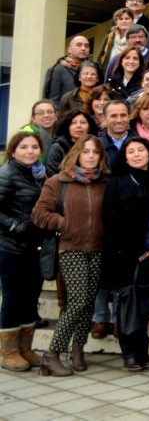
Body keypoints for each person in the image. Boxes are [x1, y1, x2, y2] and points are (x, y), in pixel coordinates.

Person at [31, 135, 109, 376]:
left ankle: (78, 349)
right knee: (76, 302)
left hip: (96, 249)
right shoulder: (58, 181)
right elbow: (39, 214)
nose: (90, 156)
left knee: (87, 304)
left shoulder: (104, 183)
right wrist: (63, 223)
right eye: (85, 151)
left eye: (95, 152)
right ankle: (52, 354)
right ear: (77, 153)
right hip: (70, 248)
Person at [102, 138, 149, 371]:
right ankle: (130, 354)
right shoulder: (117, 182)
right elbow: (112, 218)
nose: (136, 155)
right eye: (130, 151)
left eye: (140, 150)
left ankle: (144, 351)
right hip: (128, 254)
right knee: (128, 305)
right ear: (124, 157)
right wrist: (139, 250)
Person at [0, 132, 47, 372]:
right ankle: (8, 351)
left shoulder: (39, 174)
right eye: (24, 147)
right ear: (13, 151)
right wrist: (14, 226)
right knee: (13, 300)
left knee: (30, 299)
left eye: (34, 147)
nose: (30, 151)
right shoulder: (7, 174)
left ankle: (26, 348)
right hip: (11, 248)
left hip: (33, 247)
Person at [44, 36, 93, 107]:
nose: (83, 48)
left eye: (87, 46)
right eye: (79, 45)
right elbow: (52, 101)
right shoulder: (58, 70)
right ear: (69, 49)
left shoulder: (92, 70)